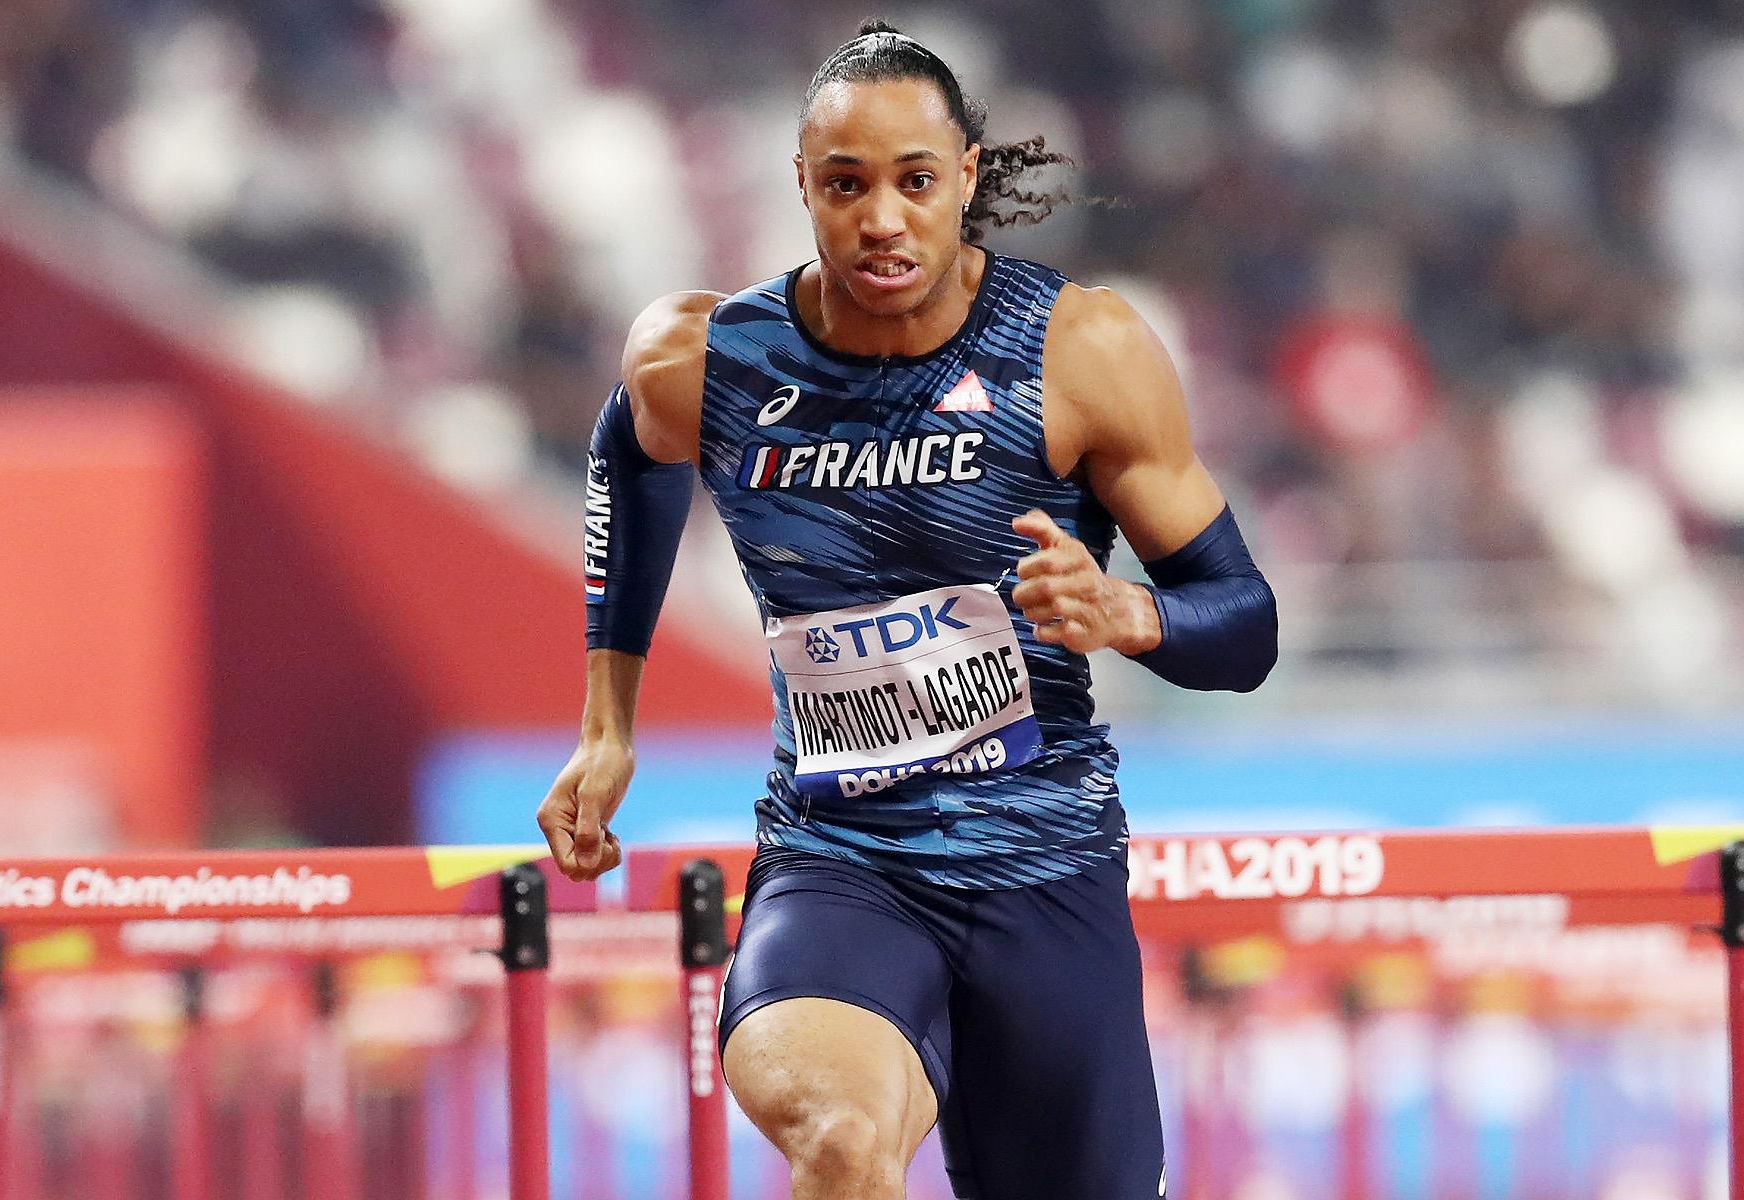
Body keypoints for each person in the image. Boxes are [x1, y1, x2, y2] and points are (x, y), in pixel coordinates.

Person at [537, 21, 1277, 1200]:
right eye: (847, 185)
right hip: (842, 865)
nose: (882, 218)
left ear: (968, 179)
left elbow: (1244, 624)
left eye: (915, 182)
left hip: (1045, 865)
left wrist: (1129, 615)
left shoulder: (1080, 352)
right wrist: (606, 719)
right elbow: (628, 455)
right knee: (842, 1145)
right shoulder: (709, 359)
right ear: (803, 189)